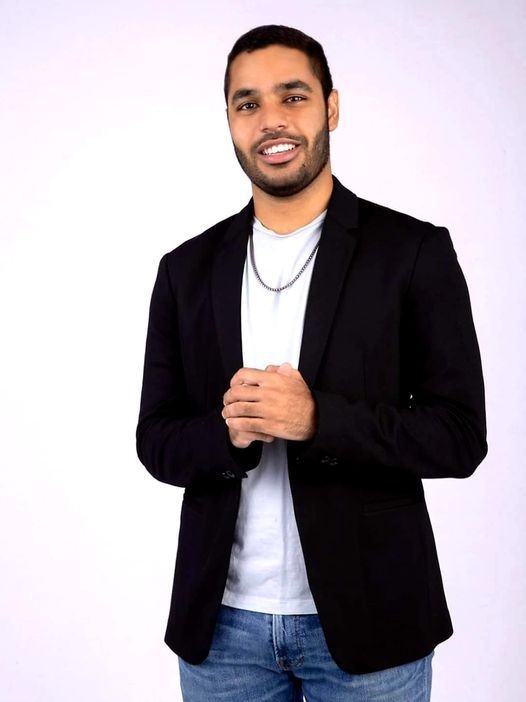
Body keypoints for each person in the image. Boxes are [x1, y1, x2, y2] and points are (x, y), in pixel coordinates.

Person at [135, 24, 488, 701]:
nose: (271, 119)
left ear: (330, 107)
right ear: (230, 121)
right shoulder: (186, 270)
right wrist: (228, 433)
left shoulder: (411, 253)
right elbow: (157, 441)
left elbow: (459, 436)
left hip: (370, 625)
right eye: (247, 103)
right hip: (222, 631)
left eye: (292, 96)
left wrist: (318, 419)